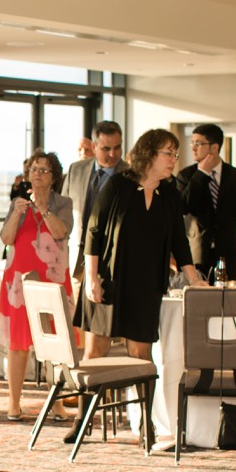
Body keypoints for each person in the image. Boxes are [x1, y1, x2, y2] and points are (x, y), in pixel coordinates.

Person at [72, 128, 206, 444]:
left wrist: (193, 277)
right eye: (168, 153)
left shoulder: (170, 193)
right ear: (149, 154)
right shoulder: (118, 184)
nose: (174, 159)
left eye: (175, 154)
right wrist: (90, 278)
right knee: (96, 350)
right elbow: (94, 232)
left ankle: (146, 427)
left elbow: (179, 240)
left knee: (142, 356)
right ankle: (82, 420)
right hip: (107, 280)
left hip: (146, 285)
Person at [0, 150, 73, 421]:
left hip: (53, 279)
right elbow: (6, 239)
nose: (37, 175)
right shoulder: (18, 202)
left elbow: (61, 232)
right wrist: (17, 215)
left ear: (54, 177)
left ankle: (58, 404)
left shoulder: (63, 202)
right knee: (17, 344)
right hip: (19, 281)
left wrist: (43, 209)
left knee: (56, 345)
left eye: (44, 170)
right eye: (33, 169)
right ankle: (14, 402)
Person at [176, 124, 236, 282]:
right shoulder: (186, 175)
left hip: (227, 254)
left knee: (226, 303)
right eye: (192, 142)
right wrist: (201, 174)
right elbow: (182, 207)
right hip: (196, 255)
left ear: (214, 147)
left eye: (198, 143)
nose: (193, 148)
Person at [61, 121, 129, 278]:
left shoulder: (131, 176)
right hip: (77, 257)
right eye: (106, 149)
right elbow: (64, 209)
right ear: (94, 147)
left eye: (117, 148)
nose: (113, 154)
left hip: (111, 258)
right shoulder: (76, 169)